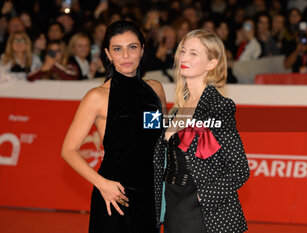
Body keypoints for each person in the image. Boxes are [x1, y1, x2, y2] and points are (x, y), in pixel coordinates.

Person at [61, 20, 166, 233]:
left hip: (150, 194)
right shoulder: (97, 97)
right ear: (108, 54)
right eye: (118, 49)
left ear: (142, 50)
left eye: (132, 47)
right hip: (114, 194)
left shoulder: (155, 90)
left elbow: (157, 138)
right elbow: (68, 150)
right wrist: (102, 184)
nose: (126, 56)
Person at [154, 29, 250, 233]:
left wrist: (201, 196)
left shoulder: (218, 107)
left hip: (201, 210)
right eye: (183, 51)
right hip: (171, 202)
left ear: (211, 64)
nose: (184, 58)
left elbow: (239, 169)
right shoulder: (178, 107)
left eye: (193, 53)